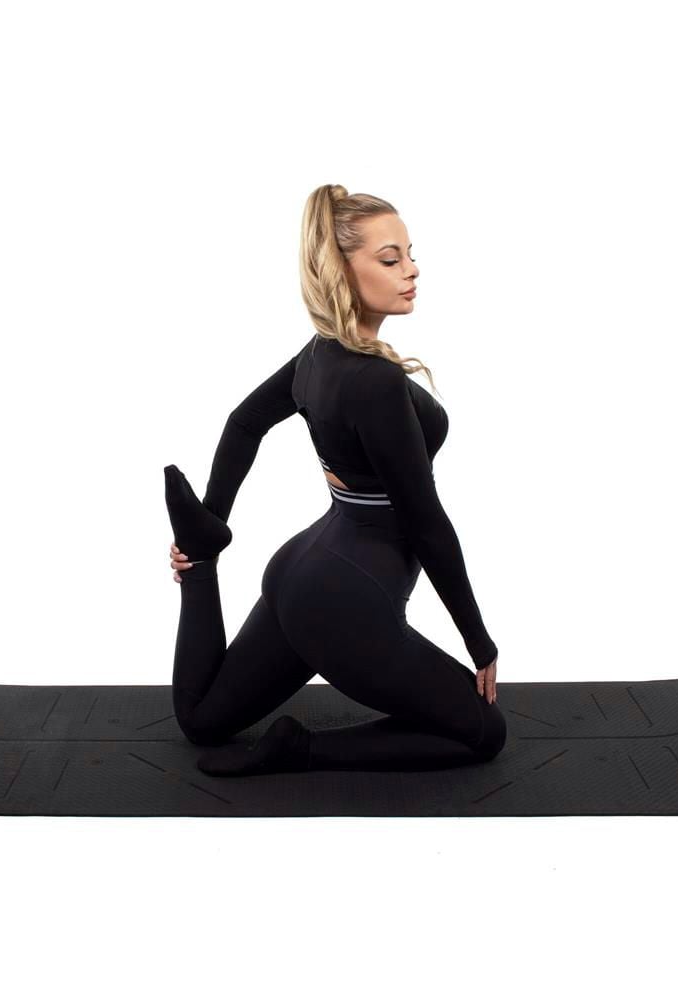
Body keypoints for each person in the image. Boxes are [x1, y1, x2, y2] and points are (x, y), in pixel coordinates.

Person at [164, 183, 507, 776]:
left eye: (410, 254)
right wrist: (479, 642)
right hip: (345, 604)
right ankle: (302, 749)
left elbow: (244, 422)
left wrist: (212, 522)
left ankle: (202, 568)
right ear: (343, 271)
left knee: (203, 720)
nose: (412, 270)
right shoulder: (373, 382)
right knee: (485, 735)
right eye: (390, 259)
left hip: (303, 574)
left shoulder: (320, 355)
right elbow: (426, 524)